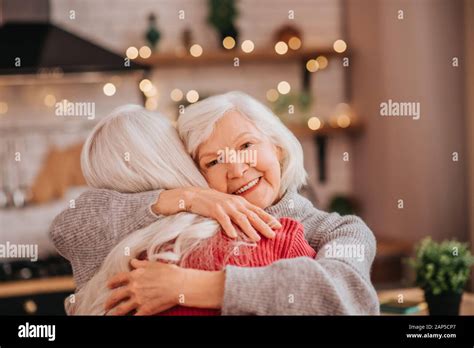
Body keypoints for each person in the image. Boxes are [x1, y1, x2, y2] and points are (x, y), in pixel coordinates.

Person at [51, 92, 379, 315]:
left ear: (277, 147)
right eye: (213, 162)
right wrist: (185, 196)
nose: (236, 169)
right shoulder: (190, 224)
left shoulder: (342, 230)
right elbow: (67, 229)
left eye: (247, 145)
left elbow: (347, 297)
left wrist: (190, 286)